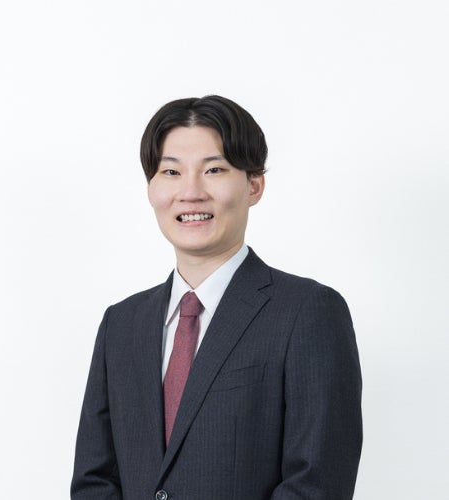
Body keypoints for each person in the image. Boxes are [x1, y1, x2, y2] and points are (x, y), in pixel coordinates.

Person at [71, 95, 362, 500]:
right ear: (151, 188)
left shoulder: (308, 312)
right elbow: (94, 481)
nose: (190, 192)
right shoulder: (121, 324)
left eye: (214, 169)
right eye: (171, 171)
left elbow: (316, 484)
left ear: (254, 185)